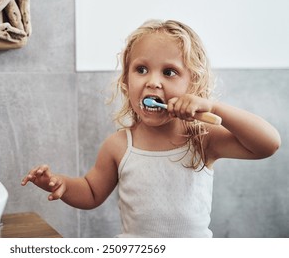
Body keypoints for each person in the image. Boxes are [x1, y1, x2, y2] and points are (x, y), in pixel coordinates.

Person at [21, 19, 281, 237]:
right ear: (126, 80)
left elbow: (268, 144)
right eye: (141, 69)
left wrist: (212, 107)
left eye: (169, 72)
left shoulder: (202, 138)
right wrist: (62, 184)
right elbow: (91, 192)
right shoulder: (120, 145)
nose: (153, 82)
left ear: (193, 85)